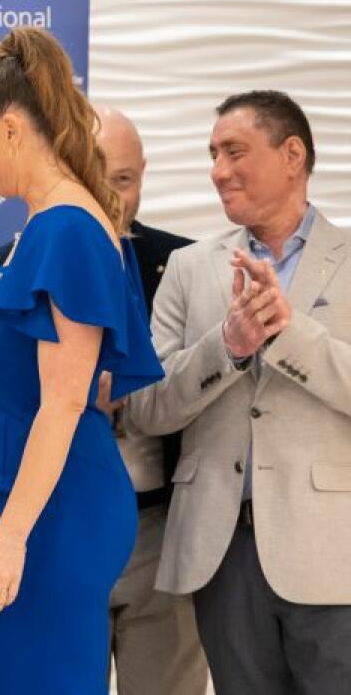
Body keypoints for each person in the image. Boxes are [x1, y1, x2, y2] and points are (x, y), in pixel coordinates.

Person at [0, 28, 163, 694]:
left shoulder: (67, 228)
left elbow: (62, 403)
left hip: (61, 513)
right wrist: (6, 511)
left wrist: (14, 533)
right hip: (35, 506)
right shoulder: (46, 224)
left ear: (9, 128)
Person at [0, 104, 207, 694]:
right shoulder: (15, 255)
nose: (111, 193)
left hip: (139, 517)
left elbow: (116, 397)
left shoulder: (171, 261)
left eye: (124, 178)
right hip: (40, 501)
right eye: (100, 173)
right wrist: (47, 392)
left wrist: (79, 393)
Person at [125, 90, 351, 694]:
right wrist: (226, 346)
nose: (217, 170)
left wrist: (287, 331)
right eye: (212, 153)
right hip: (219, 554)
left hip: (333, 553)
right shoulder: (187, 268)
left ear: (293, 154)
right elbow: (147, 408)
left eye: (234, 151)